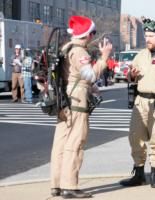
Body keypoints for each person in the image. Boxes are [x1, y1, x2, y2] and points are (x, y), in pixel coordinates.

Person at [50, 15, 112, 198]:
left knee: (60, 143)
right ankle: (69, 186)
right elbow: (90, 75)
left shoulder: (65, 48)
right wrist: (104, 58)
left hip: (64, 99)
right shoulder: (79, 52)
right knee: (76, 142)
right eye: (92, 33)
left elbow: (74, 74)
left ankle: (57, 185)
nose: (93, 37)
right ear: (88, 34)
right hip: (76, 100)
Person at [119, 18, 155, 188]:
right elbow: (130, 77)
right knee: (135, 138)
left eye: (151, 36)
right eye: (146, 36)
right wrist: (132, 75)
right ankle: (139, 174)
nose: (147, 39)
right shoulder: (141, 55)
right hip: (140, 101)